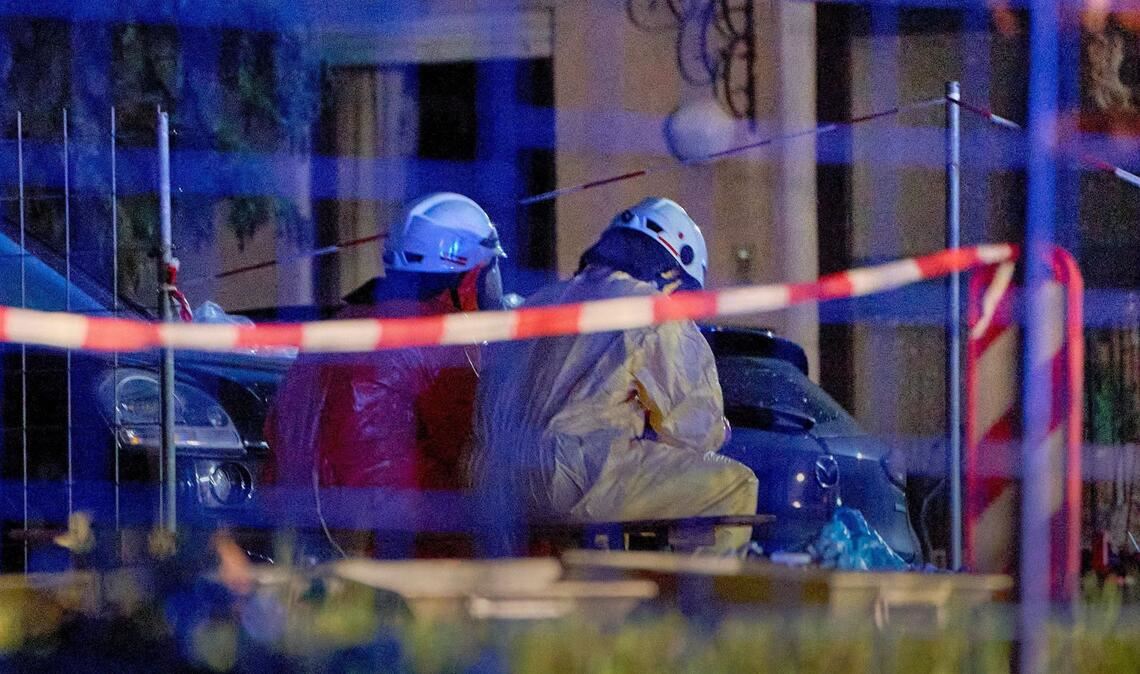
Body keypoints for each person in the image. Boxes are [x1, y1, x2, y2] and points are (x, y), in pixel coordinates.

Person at [473, 197, 758, 552]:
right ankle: (691, 603)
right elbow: (695, 431)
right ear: (672, 271)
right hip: (573, 475)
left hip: (493, 476)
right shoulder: (652, 308)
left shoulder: (538, 302)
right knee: (733, 485)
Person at [264, 192, 506, 555]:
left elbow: (277, 428)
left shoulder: (340, 325)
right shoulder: (443, 340)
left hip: (294, 531)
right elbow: (470, 450)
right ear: (471, 278)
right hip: (394, 540)